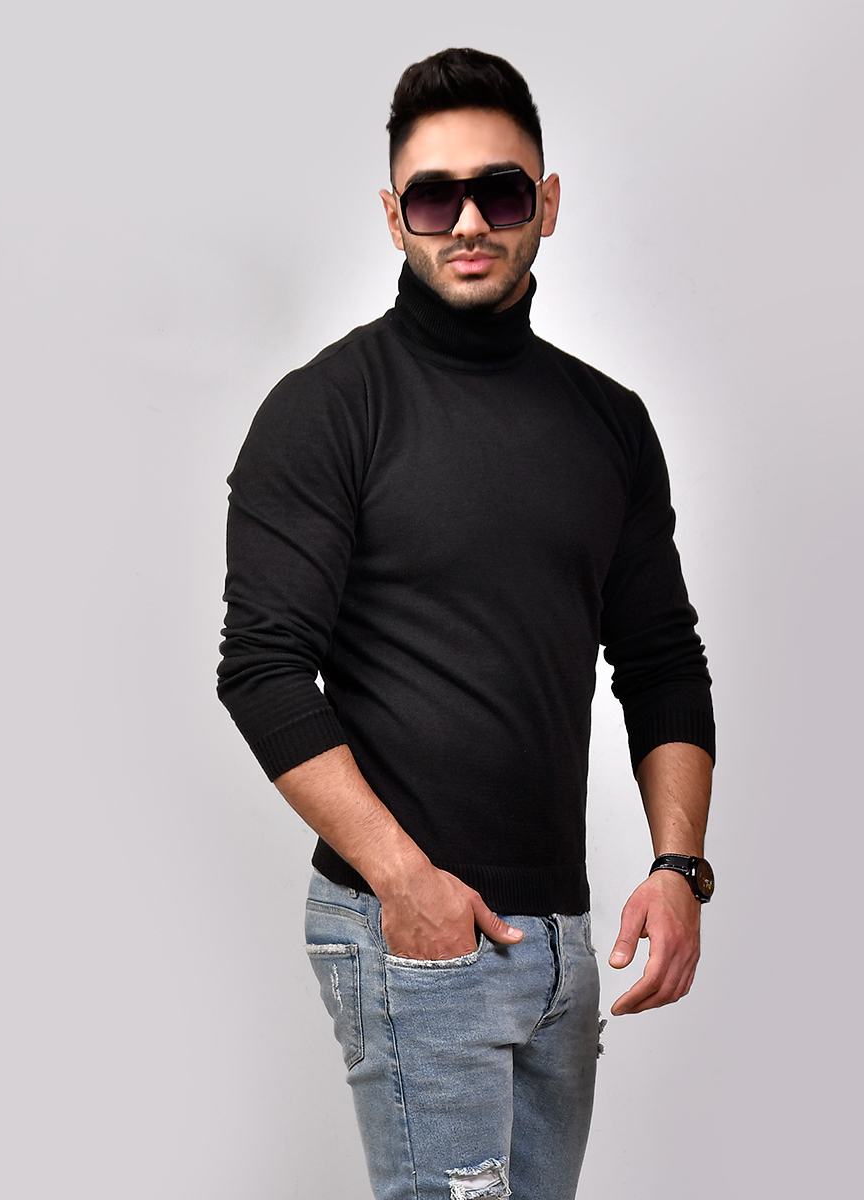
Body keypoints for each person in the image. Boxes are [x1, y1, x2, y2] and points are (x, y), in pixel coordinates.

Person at [218, 47, 716, 1200]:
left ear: (548, 201)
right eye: (436, 197)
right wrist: (405, 881)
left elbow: (661, 660)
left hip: (563, 938)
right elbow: (264, 671)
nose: (471, 222)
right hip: (413, 932)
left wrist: (679, 865)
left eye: (500, 190)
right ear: (395, 214)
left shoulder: (609, 422)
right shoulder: (328, 410)